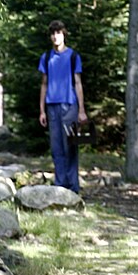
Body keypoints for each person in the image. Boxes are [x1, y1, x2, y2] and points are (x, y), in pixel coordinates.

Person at [38, 20, 87, 194]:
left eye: (58, 33)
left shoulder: (73, 56)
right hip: (51, 107)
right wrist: (41, 110)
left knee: (70, 147)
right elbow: (44, 84)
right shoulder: (46, 57)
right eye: (52, 33)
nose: (55, 36)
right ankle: (60, 186)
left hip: (70, 106)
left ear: (63, 34)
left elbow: (78, 83)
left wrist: (81, 110)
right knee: (56, 148)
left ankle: (73, 188)